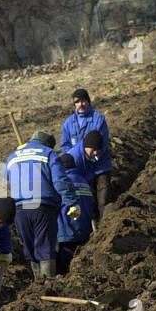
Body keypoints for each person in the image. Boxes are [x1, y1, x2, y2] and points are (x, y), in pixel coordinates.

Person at [4, 129, 81, 279]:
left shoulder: (12, 157)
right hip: (43, 208)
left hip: (19, 209)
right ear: (49, 144)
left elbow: (5, 175)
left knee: (30, 248)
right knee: (45, 247)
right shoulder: (49, 154)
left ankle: (37, 284)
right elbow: (60, 181)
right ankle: (47, 284)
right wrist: (71, 202)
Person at [60, 89, 112, 218]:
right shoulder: (68, 124)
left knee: (102, 201)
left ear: (88, 102)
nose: (80, 104)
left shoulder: (98, 119)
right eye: (77, 102)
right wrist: (71, 160)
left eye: (83, 101)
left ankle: (104, 226)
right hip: (80, 169)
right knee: (86, 200)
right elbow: (65, 145)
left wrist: (93, 158)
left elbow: (103, 143)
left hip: (99, 167)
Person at [56, 155, 95, 273]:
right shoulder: (84, 182)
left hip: (67, 233)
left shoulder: (62, 184)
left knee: (65, 269)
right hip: (85, 232)